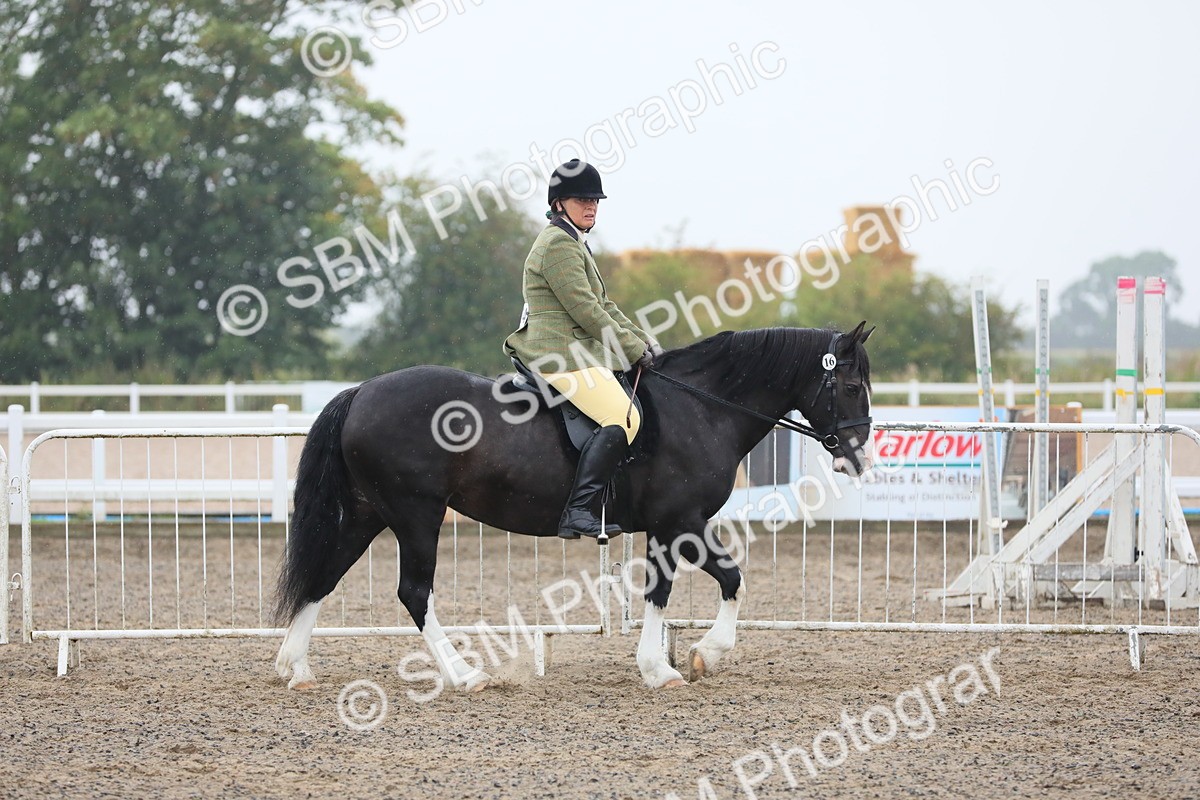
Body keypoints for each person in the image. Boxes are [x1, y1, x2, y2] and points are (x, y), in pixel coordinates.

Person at [503, 160, 663, 539]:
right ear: (558, 203)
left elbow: (605, 306)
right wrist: (629, 348)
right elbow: (586, 311)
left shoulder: (573, 241)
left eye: (595, 200)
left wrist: (642, 340)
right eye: (582, 199)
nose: (591, 206)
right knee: (623, 417)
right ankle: (579, 510)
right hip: (557, 352)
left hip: (575, 349)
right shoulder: (558, 244)